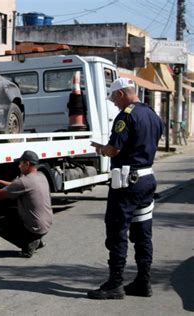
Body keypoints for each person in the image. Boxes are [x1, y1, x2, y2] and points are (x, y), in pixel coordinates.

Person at [88, 78, 164, 300]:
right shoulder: (152, 114)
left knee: (117, 230)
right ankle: (143, 281)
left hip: (127, 184)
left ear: (121, 93)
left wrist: (102, 149)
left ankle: (115, 284)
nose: (113, 102)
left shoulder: (126, 116)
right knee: (142, 233)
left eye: (113, 97)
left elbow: (114, 150)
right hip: (147, 179)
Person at [0, 150, 53, 258]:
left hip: (36, 228)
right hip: (45, 225)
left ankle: (28, 244)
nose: (19, 166)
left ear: (27, 164)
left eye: (20, 163)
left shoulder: (24, 181)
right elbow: (15, 185)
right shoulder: (40, 176)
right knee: (10, 212)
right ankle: (36, 240)